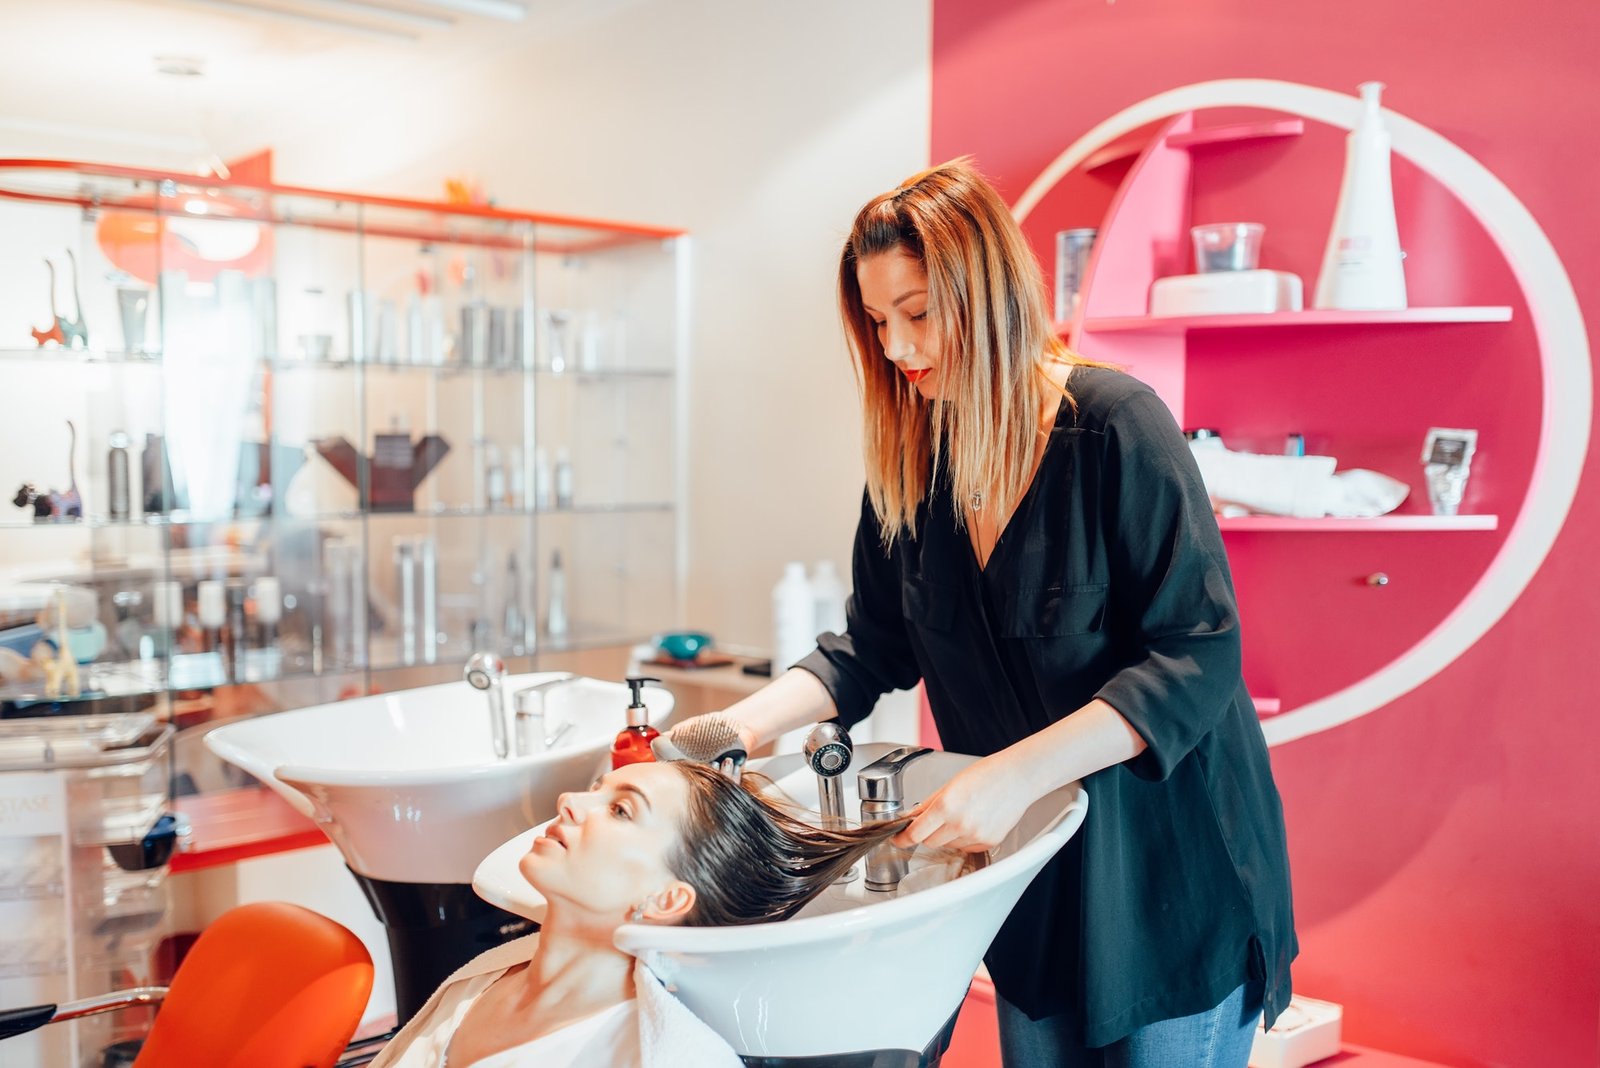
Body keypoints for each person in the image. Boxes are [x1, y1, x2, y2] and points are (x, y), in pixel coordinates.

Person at [670, 159, 1296, 1067]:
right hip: (1029, 882)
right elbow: (869, 647)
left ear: (987, 295)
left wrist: (1010, 776)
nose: (896, 347)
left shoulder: (1115, 428)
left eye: (918, 313)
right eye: (879, 322)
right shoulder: (915, 462)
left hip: (1167, 879)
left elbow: (1194, 657)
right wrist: (729, 726)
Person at [371, 759, 931, 1067]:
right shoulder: (478, 983)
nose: (570, 802)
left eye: (619, 809)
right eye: (599, 791)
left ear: (666, 900)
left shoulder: (657, 1055)